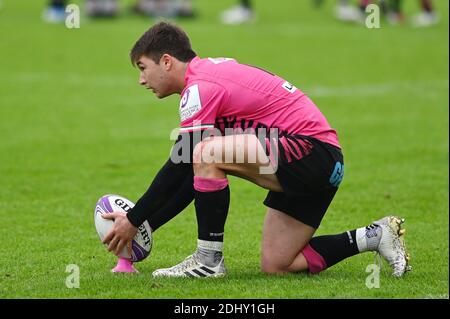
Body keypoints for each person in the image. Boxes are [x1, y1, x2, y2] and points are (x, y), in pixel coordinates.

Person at [102, 21, 411, 278]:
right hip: (316, 160)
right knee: (278, 264)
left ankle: (208, 262)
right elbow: (191, 178)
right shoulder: (208, 76)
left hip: (310, 152)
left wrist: (133, 218)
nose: (142, 80)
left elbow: (182, 162)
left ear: (166, 61)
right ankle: (374, 236)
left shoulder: (199, 87)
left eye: (143, 68)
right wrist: (144, 226)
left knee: (205, 153)